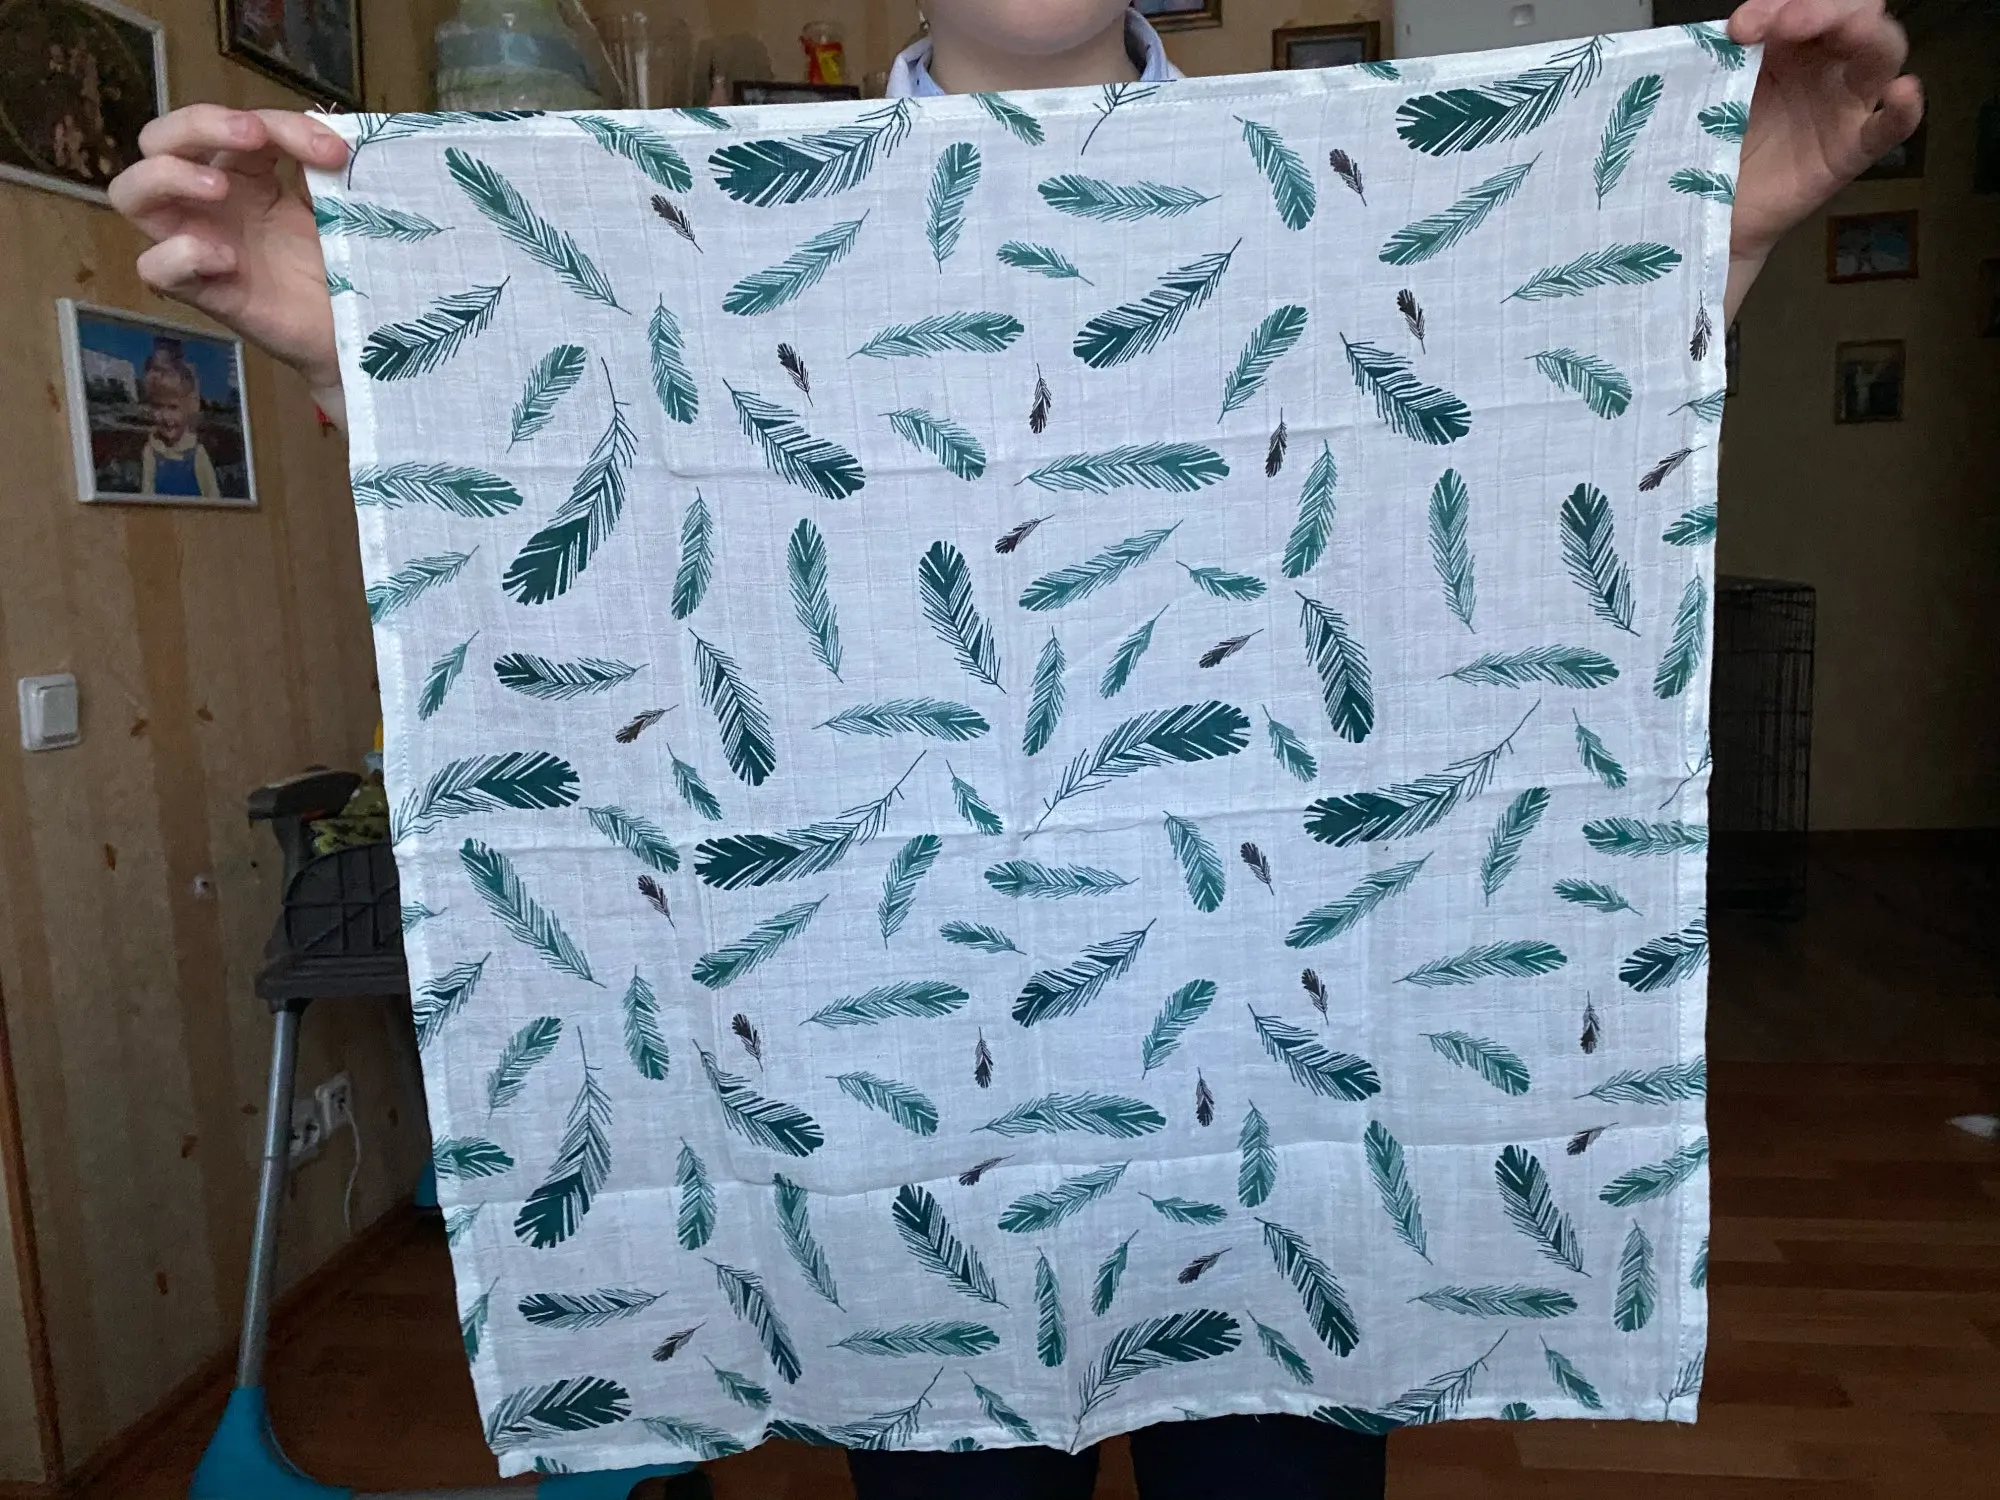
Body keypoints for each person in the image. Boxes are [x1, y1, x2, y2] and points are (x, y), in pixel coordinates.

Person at [107, 2, 1921, 1495]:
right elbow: (600, 530)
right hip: (907, 1105)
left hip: (1272, 1091)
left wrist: (1723, 226)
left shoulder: (1333, 199)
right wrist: (366, 346)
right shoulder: (710, 228)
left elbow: (1509, 439)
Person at [138, 338, 221, 499]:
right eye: (158, 407)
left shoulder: (196, 452)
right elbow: (147, 494)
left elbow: (213, 496)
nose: (165, 417)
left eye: (173, 407)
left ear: (188, 409)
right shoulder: (151, 451)